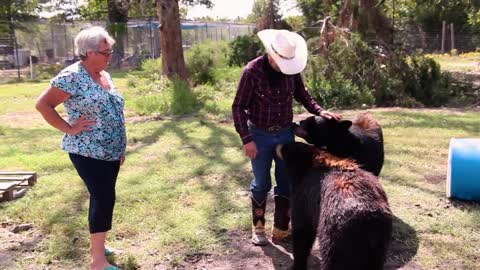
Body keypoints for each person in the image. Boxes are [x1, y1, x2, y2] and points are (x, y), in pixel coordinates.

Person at [232, 29, 342, 246]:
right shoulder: (252, 72)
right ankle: (258, 228)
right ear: (271, 53)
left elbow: (303, 95)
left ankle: (281, 230)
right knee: (262, 183)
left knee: (286, 182)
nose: (283, 66)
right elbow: (238, 108)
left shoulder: (291, 71)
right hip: (259, 135)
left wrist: (320, 111)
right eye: (280, 60)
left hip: (284, 133)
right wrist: (247, 139)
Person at [35, 26, 126, 270]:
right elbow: (43, 104)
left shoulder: (104, 74)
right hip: (87, 150)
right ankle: (97, 261)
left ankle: (99, 244)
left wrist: (120, 148)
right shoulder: (71, 76)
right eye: (105, 52)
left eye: (110, 51)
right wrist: (69, 128)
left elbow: (113, 111)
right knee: (103, 196)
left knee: (105, 197)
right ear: (87, 52)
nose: (110, 56)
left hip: (110, 150)